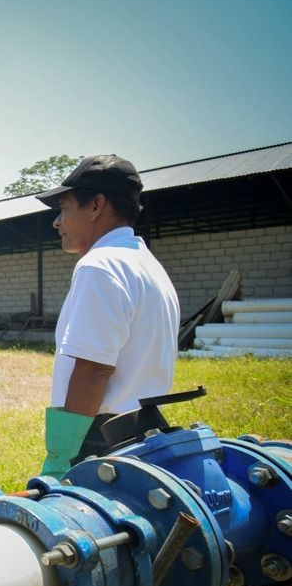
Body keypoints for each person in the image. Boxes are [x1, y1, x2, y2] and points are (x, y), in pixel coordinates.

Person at [35, 155, 180, 478]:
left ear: (96, 205)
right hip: (144, 430)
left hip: (101, 438)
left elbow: (94, 367)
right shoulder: (148, 265)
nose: (57, 222)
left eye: (64, 209)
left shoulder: (100, 266)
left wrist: (63, 455)